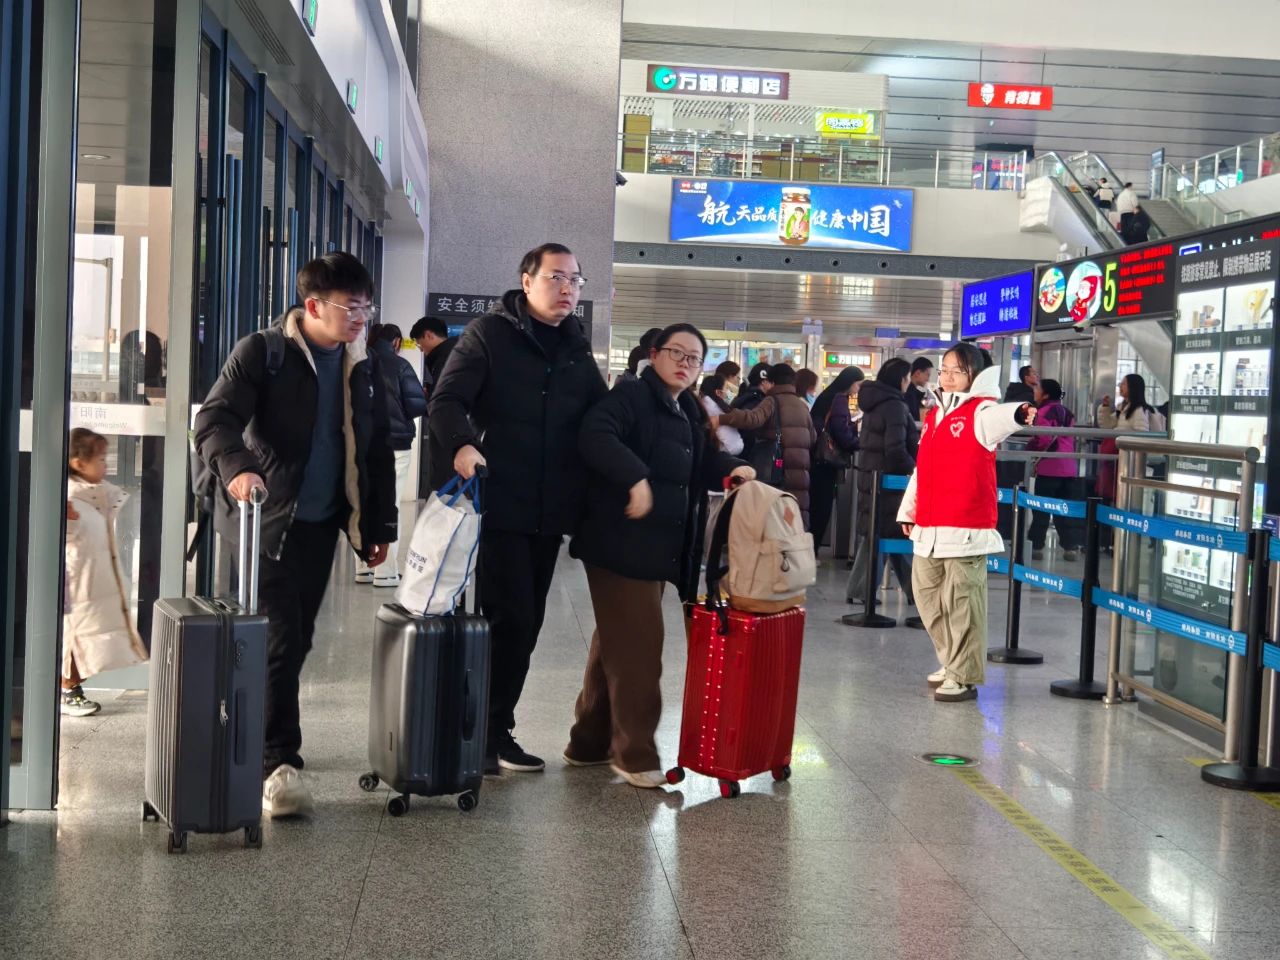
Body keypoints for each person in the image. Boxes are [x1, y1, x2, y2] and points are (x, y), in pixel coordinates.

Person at [195, 251, 396, 817]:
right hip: (264, 521)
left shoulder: (363, 364)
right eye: (350, 307)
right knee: (278, 639)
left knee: (299, 637)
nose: (360, 317)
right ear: (313, 305)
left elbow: (375, 448)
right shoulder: (264, 352)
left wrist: (378, 524)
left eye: (366, 306)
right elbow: (213, 421)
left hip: (321, 524)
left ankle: (255, 731)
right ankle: (276, 764)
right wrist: (239, 469)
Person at [428, 242, 607, 774]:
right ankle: (481, 733)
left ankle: (494, 728)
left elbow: (599, 416)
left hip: (550, 511)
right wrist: (462, 445)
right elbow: (446, 400)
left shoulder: (575, 346)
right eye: (556, 277)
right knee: (509, 617)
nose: (568, 289)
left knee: (526, 624)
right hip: (500, 501)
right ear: (526, 281)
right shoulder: (490, 334)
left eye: (575, 280)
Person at [566, 324, 751, 788]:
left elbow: (701, 462)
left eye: (695, 358)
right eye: (676, 353)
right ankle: (636, 755)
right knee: (641, 650)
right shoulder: (630, 396)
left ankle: (588, 742)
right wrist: (635, 478)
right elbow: (595, 436)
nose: (685, 364)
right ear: (654, 354)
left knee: (620, 641)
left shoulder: (686, 406)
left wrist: (734, 469)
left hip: (656, 547)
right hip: (618, 542)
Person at [898, 343, 1036, 702]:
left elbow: (1001, 418)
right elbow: (922, 469)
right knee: (928, 599)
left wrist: (1020, 412)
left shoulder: (980, 411)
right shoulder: (935, 416)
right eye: (944, 370)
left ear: (974, 375)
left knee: (963, 604)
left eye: (956, 371)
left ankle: (963, 675)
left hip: (965, 528)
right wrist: (908, 510)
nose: (946, 377)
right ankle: (952, 661)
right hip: (929, 526)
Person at [61, 428, 148, 718]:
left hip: (95, 584)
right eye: (100, 459)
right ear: (78, 463)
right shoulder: (70, 501)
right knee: (76, 642)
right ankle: (68, 690)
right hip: (80, 588)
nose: (105, 465)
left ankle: (70, 688)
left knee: (91, 642)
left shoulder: (92, 498)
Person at [354, 323, 428, 587]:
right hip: (394, 444)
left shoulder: (358, 362)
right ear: (396, 342)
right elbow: (416, 405)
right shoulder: (400, 365)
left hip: (361, 444)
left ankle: (364, 567)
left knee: (363, 502)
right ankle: (385, 572)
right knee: (389, 501)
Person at [846, 359, 917, 606]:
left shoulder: (874, 403)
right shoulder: (895, 406)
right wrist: (915, 469)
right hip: (889, 481)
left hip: (872, 476)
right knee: (890, 533)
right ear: (901, 379)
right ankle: (862, 589)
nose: (908, 382)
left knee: (883, 533)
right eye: (907, 377)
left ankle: (863, 589)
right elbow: (895, 449)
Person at [717, 363, 817, 526]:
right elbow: (812, 438)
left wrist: (721, 419)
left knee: (774, 518)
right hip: (801, 473)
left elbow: (752, 419)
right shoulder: (802, 406)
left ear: (772, 382)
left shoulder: (772, 401)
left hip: (778, 469)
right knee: (795, 519)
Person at [807, 366, 864, 555]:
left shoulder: (827, 395)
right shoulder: (839, 398)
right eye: (858, 385)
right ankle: (812, 551)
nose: (857, 389)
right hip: (826, 461)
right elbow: (841, 432)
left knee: (815, 505)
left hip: (816, 458)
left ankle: (809, 550)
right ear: (850, 382)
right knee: (822, 506)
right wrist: (858, 443)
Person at [1025, 379, 1083, 562]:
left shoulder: (1043, 412)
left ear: (1046, 394)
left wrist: (1030, 447)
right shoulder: (1067, 412)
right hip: (1068, 467)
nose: (1035, 391)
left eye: (1038, 388)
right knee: (1063, 510)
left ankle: (1036, 546)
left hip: (1050, 467)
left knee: (1041, 509)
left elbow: (1043, 439)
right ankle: (1070, 547)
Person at [1096, 373, 1164, 502]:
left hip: (1130, 459)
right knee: (1115, 489)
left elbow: (1142, 434)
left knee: (1123, 491)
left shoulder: (1138, 410)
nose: (1120, 386)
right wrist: (1105, 408)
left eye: (1124, 384)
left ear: (1133, 387)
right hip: (1122, 457)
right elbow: (1107, 425)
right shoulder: (1123, 408)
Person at [410, 315, 456, 399]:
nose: (421, 349)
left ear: (428, 335)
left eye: (419, 343)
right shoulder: (454, 353)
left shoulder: (445, 359)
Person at [700, 373, 743, 456]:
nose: (728, 391)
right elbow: (733, 445)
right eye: (726, 388)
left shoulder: (707, 405)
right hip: (725, 453)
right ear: (718, 392)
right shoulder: (713, 409)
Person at [905, 357, 934, 422]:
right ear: (917, 373)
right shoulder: (908, 394)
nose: (928, 379)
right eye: (927, 375)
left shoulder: (913, 392)